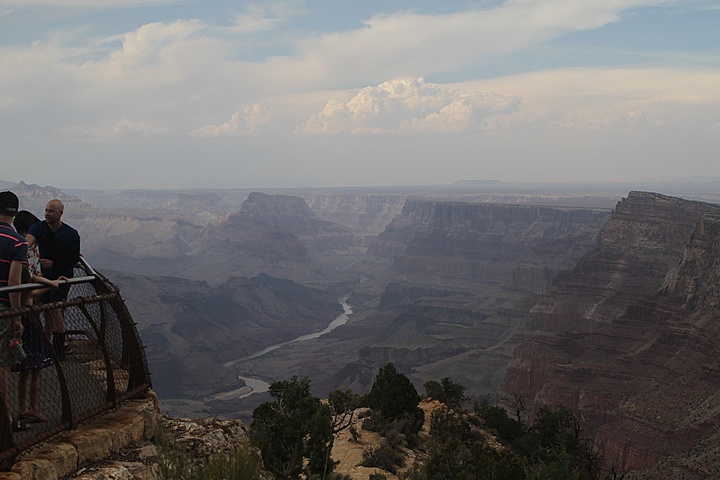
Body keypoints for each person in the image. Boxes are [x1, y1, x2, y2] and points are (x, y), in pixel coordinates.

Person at [13, 211, 63, 424]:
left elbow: (29, 280)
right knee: (35, 369)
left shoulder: (17, 253)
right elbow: (30, 293)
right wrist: (49, 286)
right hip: (29, 317)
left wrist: (48, 282)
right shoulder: (24, 251)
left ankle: (23, 409)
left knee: (26, 369)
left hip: (23, 315)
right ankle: (31, 410)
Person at [26, 199, 80, 360]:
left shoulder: (71, 234)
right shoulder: (39, 228)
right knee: (47, 310)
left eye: (51, 211)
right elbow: (28, 240)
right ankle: (46, 343)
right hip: (44, 278)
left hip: (62, 278)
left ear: (60, 213)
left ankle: (58, 348)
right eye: (46, 210)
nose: (47, 214)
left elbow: (74, 257)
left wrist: (54, 263)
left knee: (54, 309)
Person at [0, 191, 29, 434]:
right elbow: (14, 282)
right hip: (2, 309)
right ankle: (5, 420)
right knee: (3, 365)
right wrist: (16, 316)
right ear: (15, 213)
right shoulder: (18, 241)